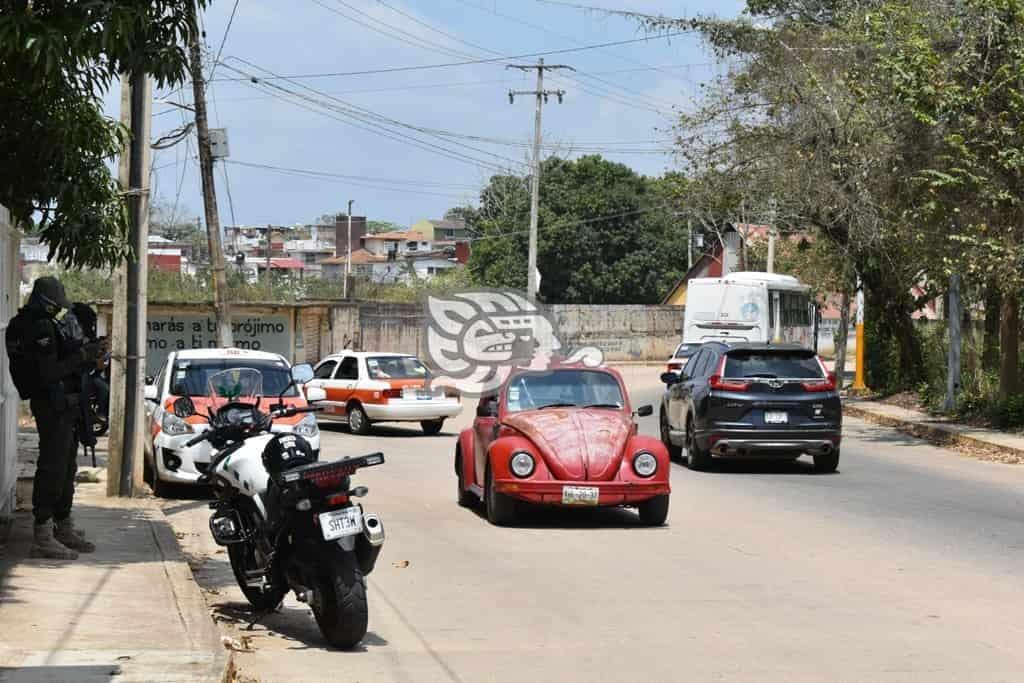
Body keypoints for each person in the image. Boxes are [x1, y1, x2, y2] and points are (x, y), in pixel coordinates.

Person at [5, 277, 100, 559]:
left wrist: (83, 351)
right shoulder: (39, 327)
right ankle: (43, 534)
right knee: (53, 468)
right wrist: (82, 354)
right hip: (52, 404)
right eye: (57, 303)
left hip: (60, 405)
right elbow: (48, 373)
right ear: (48, 301)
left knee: (66, 466)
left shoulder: (34, 324)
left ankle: (61, 524)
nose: (59, 308)